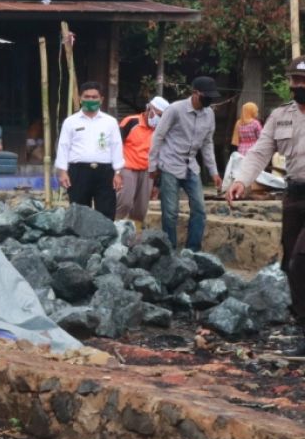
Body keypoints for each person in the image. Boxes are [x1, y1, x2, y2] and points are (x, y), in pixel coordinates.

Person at [228, 57, 305, 354]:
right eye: (294, 81)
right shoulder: (280, 116)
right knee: (290, 261)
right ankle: (300, 321)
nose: (297, 86)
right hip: (294, 195)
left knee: (301, 257)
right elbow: (260, 152)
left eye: (302, 81)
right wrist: (241, 181)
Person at [148, 76, 223, 251]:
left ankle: (193, 250)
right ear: (195, 93)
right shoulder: (175, 109)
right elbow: (158, 137)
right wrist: (152, 166)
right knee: (170, 212)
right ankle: (170, 250)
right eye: (207, 95)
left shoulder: (209, 114)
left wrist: (214, 172)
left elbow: (207, 143)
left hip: (191, 166)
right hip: (170, 164)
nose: (210, 99)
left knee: (199, 209)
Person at [54, 81, 124, 220]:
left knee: (106, 212)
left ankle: (105, 241)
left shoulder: (110, 122)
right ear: (80, 98)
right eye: (87, 96)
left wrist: (118, 172)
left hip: (105, 173)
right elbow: (63, 146)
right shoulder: (71, 121)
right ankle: (81, 242)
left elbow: (116, 146)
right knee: (79, 214)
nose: (90, 100)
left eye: (94, 97)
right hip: (78, 172)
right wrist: (62, 172)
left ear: (101, 99)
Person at [116, 96, 170, 230]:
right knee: (125, 202)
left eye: (162, 117)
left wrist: (157, 183)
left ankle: (135, 235)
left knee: (141, 207)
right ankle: (114, 228)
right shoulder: (131, 122)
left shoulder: (160, 130)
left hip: (147, 170)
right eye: (158, 114)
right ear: (149, 109)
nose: (159, 119)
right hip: (127, 167)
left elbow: (161, 155)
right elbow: (116, 145)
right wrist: (115, 171)